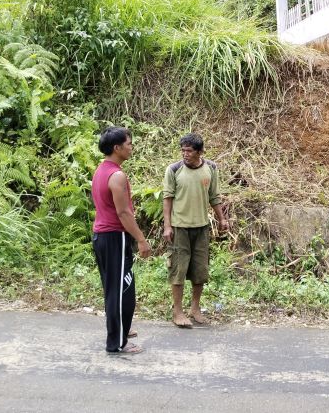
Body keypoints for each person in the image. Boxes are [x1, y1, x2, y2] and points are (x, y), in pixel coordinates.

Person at [91, 126, 152, 355]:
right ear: (117, 148)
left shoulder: (101, 170)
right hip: (115, 237)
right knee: (122, 291)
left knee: (116, 289)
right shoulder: (117, 175)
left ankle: (120, 331)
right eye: (128, 143)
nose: (131, 147)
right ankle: (116, 343)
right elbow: (124, 213)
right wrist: (141, 240)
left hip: (103, 236)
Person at [162, 133, 229, 328]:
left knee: (200, 270)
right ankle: (177, 312)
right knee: (178, 270)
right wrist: (167, 226)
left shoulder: (211, 168)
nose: (185, 154)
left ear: (200, 151)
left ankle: (195, 309)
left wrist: (221, 219)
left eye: (189, 151)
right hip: (179, 227)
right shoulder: (174, 170)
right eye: (183, 150)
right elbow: (167, 198)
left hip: (201, 227)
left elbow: (214, 196)